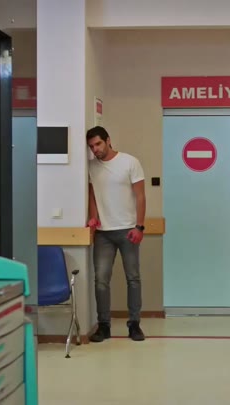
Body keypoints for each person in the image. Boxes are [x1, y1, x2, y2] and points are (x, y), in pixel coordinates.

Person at [86, 126, 147, 342]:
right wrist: (93, 217)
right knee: (101, 280)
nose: (95, 149)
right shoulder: (91, 167)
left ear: (108, 140)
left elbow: (140, 196)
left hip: (129, 229)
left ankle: (134, 324)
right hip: (103, 233)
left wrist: (139, 227)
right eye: (92, 146)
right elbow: (92, 195)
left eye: (98, 144)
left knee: (133, 278)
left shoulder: (130, 162)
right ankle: (104, 326)